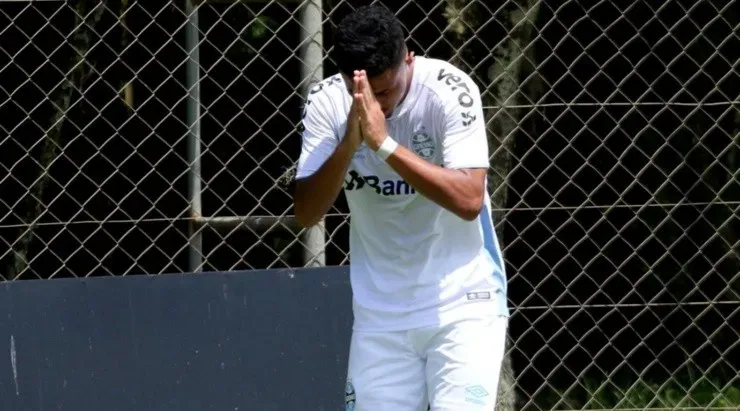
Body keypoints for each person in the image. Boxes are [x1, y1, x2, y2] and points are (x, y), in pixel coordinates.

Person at [293, 4, 509, 410]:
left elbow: (469, 199)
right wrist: (350, 144)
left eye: (386, 92)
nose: (376, 105)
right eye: (365, 93)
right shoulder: (327, 102)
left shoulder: (449, 89)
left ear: (407, 58)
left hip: (462, 304)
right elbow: (307, 213)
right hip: (380, 315)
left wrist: (385, 146)